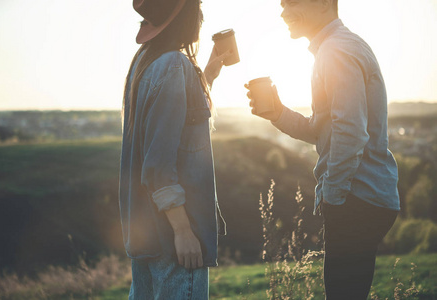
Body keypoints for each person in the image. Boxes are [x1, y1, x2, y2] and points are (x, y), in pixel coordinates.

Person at [246, 0, 400, 299]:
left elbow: (351, 133)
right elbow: (324, 131)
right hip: (363, 196)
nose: (283, 12)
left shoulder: (336, 50)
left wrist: (332, 196)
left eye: (292, 3)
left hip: (357, 198)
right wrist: (278, 113)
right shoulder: (335, 48)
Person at [119, 0, 229, 299]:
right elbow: (159, 166)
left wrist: (208, 75)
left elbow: (173, 121)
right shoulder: (173, 65)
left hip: (148, 235)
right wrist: (182, 230)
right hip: (173, 235)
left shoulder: (146, 63)